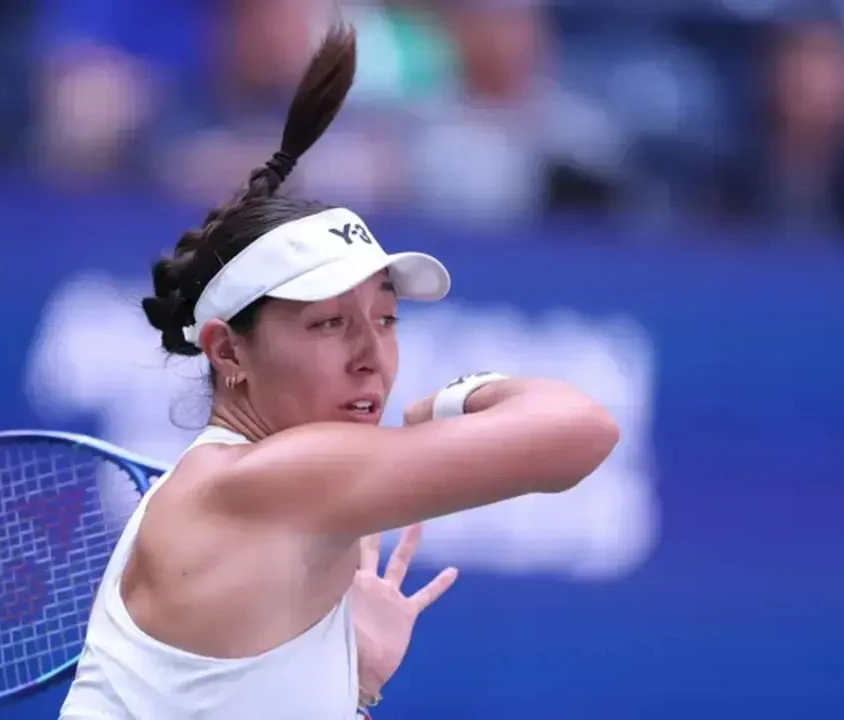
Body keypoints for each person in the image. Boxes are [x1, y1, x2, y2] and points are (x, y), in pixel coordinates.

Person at [59, 23, 619, 719]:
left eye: (385, 320)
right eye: (329, 324)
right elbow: (581, 430)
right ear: (227, 352)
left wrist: (353, 690)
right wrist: (453, 402)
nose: (371, 355)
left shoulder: (250, 499)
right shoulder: (266, 483)